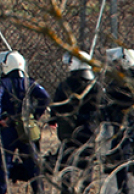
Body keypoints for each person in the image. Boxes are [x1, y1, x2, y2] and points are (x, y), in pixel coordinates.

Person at [0, 51, 50, 194]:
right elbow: (45, 97)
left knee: (3, 167)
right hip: (27, 129)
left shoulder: (3, 83)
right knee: (34, 167)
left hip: (8, 130)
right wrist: (35, 116)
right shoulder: (30, 82)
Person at [48, 51, 101, 194]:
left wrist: (53, 118)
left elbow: (57, 105)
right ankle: (87, 188)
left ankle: (66, 189)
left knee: (67, 160)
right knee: (87, 160)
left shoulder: (66, 84)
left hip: (69, 129)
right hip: (90, 129)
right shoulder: (95, 85)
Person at [103, 48, 134, 194]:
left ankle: (123, 190)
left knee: (121, 161)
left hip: (124, 127)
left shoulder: (118, 84)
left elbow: (109, 105)